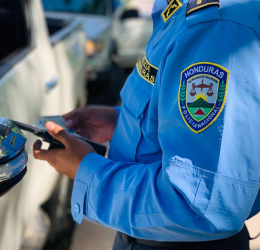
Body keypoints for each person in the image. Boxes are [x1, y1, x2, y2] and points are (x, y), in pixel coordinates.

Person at [33, 0, 260, 249]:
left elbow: (200, 206)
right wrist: (123, 121)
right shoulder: (191, 12)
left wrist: (86, 170)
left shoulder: (217, 28)